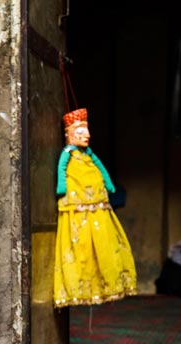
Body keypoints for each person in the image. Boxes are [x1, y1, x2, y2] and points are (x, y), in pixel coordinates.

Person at [53, 108, 137, 307]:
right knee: (80, 243)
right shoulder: (67, 153)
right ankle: (80, 287)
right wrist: (61, 186)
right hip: (76, 205)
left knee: (103, 241)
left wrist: (108, 184)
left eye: (86, 131)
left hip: (98, 205)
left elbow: (100, 166)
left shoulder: (89, 154)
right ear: (70, 134)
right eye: (81, 131)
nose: (87, 136)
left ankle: (107, 283)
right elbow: (61, 169)